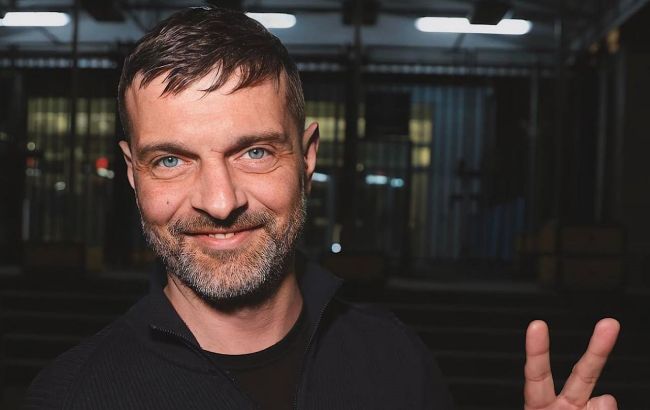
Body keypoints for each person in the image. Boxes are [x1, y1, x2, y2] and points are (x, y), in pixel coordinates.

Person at [24, 6, 620, 410]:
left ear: (307, 157)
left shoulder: (396, 360)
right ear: (133, 173)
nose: (220, 201)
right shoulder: (71, 396)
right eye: (171, 160)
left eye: (255, 152)